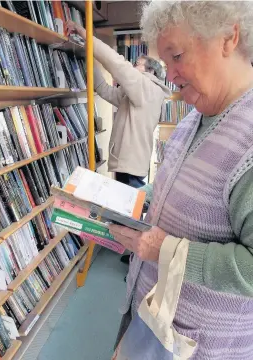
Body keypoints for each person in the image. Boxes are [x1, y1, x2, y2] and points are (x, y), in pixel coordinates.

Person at [107, 1, 253, 359]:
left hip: (198, 345)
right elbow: (172, 184)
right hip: (150, 321)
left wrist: (166, 251)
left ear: (228, 37)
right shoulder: (194, 117)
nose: (170, 74)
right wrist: (132, 203)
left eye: (176, 56)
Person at [66, 20, 171, 190]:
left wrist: (83, 33)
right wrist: (87, 60)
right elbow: (104, 90)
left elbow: (117, 64)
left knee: (126, 212)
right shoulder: (135, 93)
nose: (132, 66)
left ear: (151, 71)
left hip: (131, 165)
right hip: (127, 163)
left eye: (137, 64)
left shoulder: (147, 88)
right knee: (123, 210)